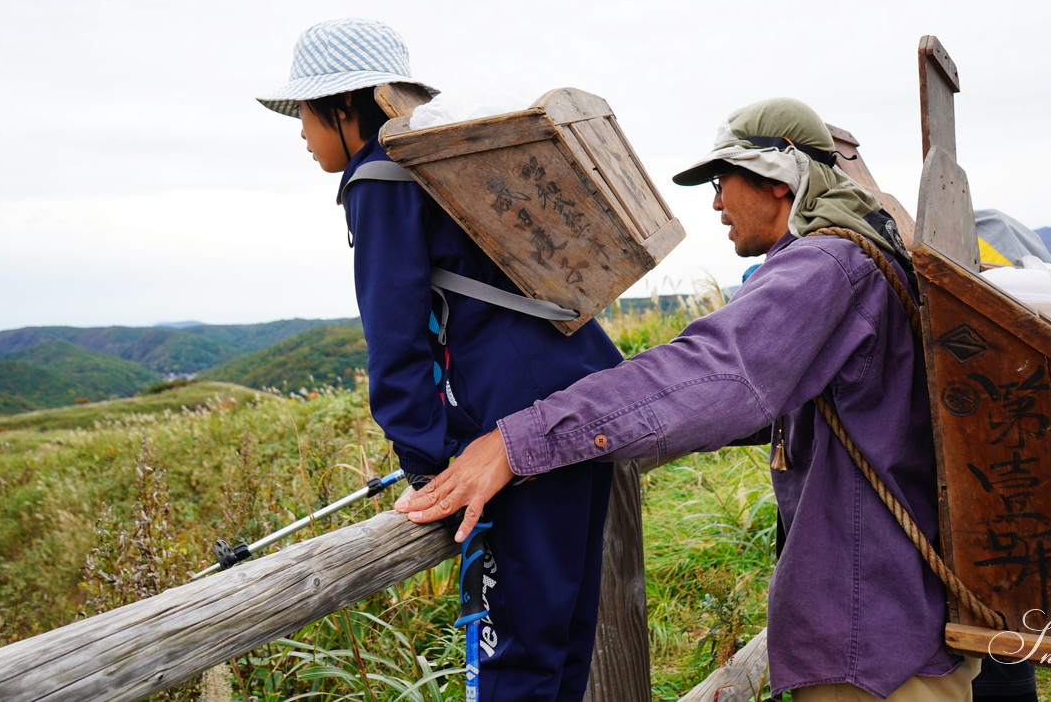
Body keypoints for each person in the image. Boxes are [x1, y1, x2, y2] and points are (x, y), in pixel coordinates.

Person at [399, 97, 983, 701]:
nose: (715, 201)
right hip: (896, 617)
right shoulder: (865, 250)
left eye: (721, 179)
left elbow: (717, 371)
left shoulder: (826, 267)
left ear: (778, 181)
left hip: (872, 642)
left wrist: (516, 442)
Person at [256, 17, 624, 702]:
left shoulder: (380, 177)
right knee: (563, 632)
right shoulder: (436, 161)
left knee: (515, 651)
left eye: (305, 111)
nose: (302, 131)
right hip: (582, 385)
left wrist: (438, 468)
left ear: (345, 105)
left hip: (514, 417)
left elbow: (396, 342)